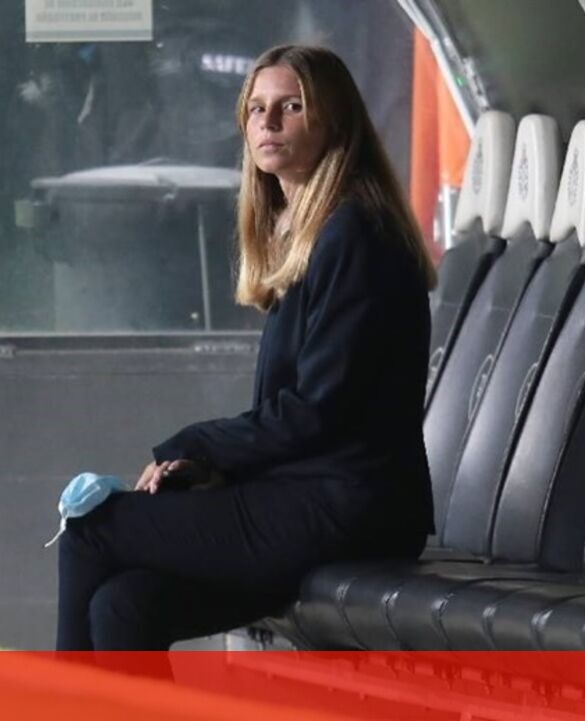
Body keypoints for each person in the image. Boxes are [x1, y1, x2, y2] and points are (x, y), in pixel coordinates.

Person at [56, 44, 436, 652]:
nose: (269, 122)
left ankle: (54, 700)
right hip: (310, 499)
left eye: (292, 106)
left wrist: (197, 444)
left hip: (348, 508)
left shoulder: (354, 233)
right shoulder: (312, 233)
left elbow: (318, 411)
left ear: (334, 122)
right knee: (125, 604)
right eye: (257, 108)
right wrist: (211, 470)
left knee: (91, 528)